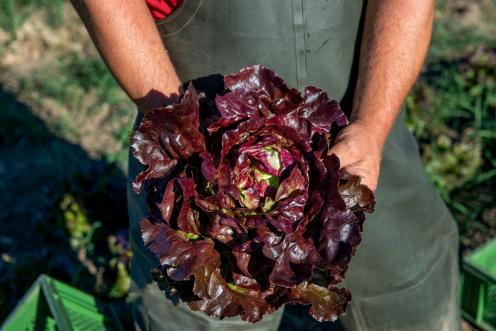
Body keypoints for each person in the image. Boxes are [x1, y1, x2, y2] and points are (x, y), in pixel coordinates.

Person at [71, 1, 461, 330]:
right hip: (197, 165)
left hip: (364, 134)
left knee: (411, 290)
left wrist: (371, 127)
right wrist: (182, 136)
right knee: (200, 318)